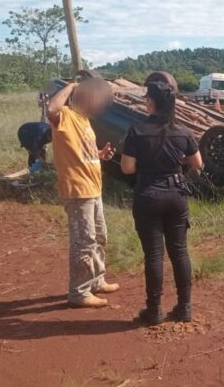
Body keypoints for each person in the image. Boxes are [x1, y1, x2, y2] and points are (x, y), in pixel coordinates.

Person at [121, 72, 203, 325]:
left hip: (148, 195)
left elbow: (127, 168)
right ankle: (185, 307)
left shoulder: (137, 131)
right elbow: (197, 164)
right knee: (179, 252)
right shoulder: (183, 132)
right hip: (176, 195)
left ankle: (154, 310)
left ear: (150, 103)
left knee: (154, 256)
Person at [47, 77, 120, 309]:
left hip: (93, 188)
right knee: (84, 241)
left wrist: (99, 155)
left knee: (99, 236)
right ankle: (79, 292)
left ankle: (96, 280)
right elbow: (51, 108)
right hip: (78, 190)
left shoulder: (85, 120)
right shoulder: (65, 115)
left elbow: (79, 151)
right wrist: (71, 86)